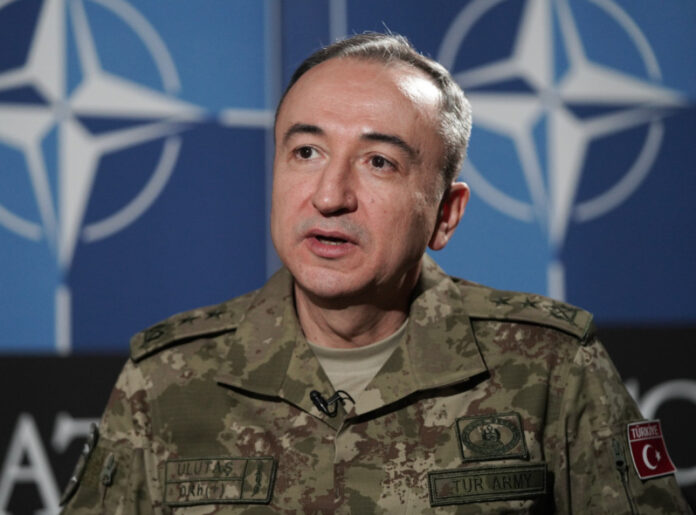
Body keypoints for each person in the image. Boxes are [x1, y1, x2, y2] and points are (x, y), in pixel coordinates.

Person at [61, 33, 690, 513]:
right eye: (306, 152)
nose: (329, 195)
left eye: (379, 162)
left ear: (445, 214)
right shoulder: (166, 377)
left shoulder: (551, 365)